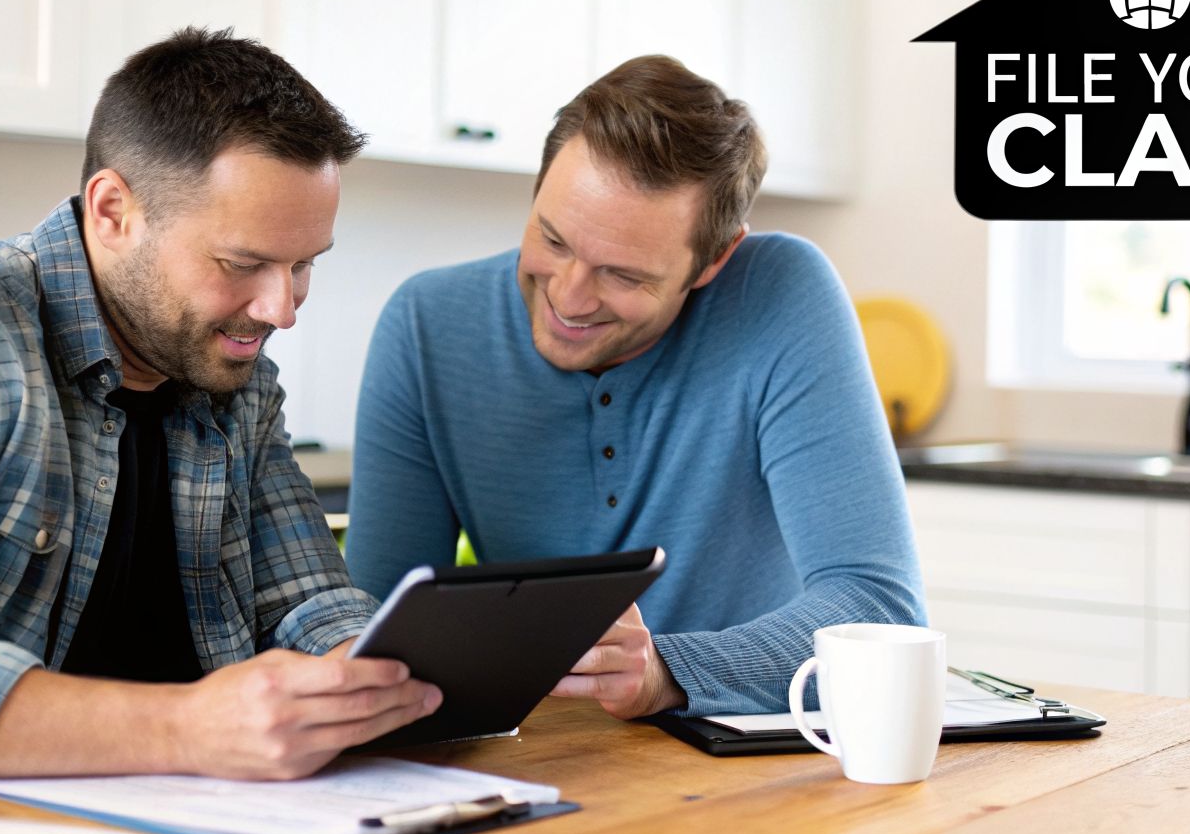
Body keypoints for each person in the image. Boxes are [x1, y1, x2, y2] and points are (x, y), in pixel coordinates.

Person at [0, 28, 440, 796]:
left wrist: (367, 675)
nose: (281, 309)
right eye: (242, 264)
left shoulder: (231, 372)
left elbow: (304, 600)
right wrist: (189, 728)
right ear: (113, 211)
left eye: (303, 265)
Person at [344, 55, 924, 719]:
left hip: (752, 747)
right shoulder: (426, 324)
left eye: (624, 275)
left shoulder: (779, 294)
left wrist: (666, 672)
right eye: (553, 240)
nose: (569, 297)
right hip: (547, 747)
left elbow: (881, 614)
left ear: (713, 260)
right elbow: (376, 629)